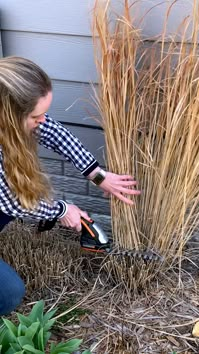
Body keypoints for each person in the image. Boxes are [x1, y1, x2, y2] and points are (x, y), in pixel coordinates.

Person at [0, 56, 141, 316]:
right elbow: (13, 202)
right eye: (36, 116)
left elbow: (56, 134)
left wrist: (98, 175)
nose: (43, 121)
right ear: (10, 113)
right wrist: (63, 211)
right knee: (9, 295)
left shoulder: (13, 119)